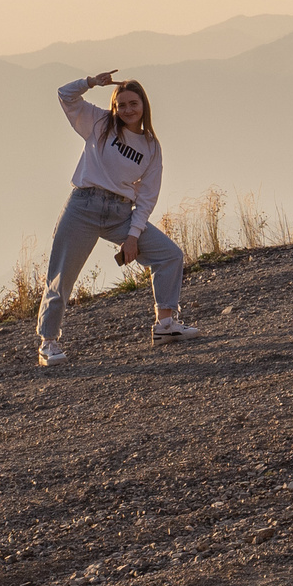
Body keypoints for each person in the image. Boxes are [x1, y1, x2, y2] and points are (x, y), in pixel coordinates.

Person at [36, 72, 192, 367]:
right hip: (83, 207)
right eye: (121, 105)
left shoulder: (151, 146)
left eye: (133, 103)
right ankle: (49, 342)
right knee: (61, 276)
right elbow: (64, 95)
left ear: (144, 105)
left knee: (169, 255)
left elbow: (147, 197)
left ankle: (166, 325)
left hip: (121, 213)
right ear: (114, 107)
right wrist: (91, 82)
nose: (128, 110)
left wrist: (133, 235)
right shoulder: (99, 123)